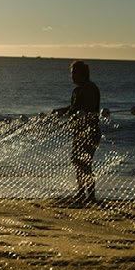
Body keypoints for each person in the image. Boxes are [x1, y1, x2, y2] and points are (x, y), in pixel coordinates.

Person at [55, 60, 101, 203]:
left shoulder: (91, 89)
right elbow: (72, 108)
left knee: (85, 163)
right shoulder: (77, 90)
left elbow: (89, 108)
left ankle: (91, 195)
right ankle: (81, 192)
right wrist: (59, 111)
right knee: (77, 161)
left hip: (90, 132)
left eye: (74, 74)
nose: (72, 77)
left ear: (82, 74)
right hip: (78, 131)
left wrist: (77, 113)